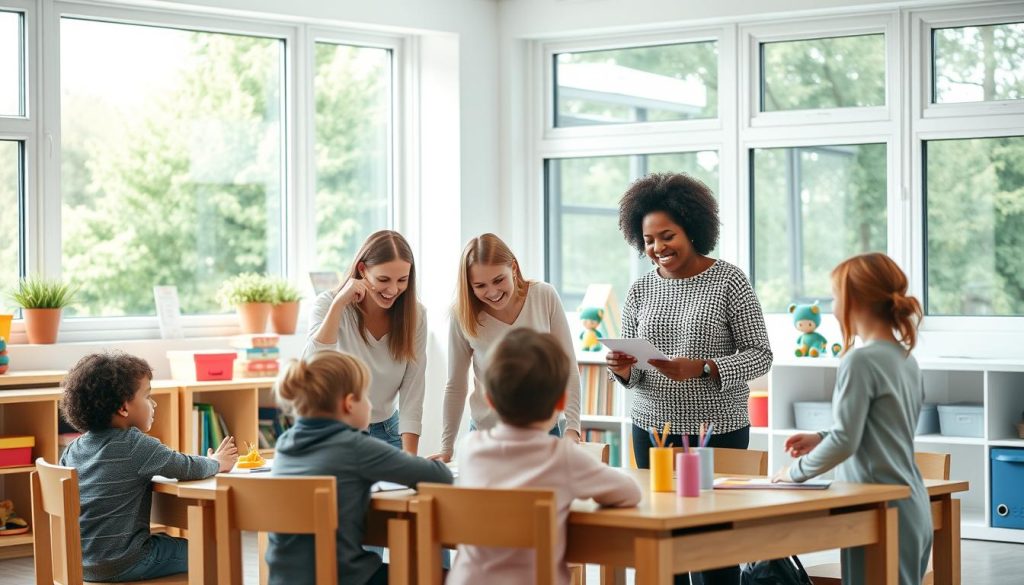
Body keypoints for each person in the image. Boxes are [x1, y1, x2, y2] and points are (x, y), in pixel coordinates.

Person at [605, 172, 773, 585]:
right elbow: (631, 372)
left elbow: (761, 356)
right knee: (665, 547)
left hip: (717, 433)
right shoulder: (640, 290)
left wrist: (702, 367)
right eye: (648, 240)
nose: (658, 248)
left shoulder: (729, 281)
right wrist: (622, 370)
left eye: (667, 236)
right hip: (651, 432)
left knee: (714, 549)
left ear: (693, 229)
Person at [774, 252, 932, 585]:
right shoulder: (905, 359)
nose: (832, 306)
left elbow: (846, 441)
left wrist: (793, 473)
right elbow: (879, 425)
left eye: (835, 296)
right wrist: (821, 437)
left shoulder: (859, 361)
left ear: (854, 301)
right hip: (911, 504)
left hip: (879, 508)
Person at [450, 328, 641, 585]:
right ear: (562, 402)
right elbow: (629, 492)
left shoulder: (469, 448)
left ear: (490, 400)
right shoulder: (562, 457)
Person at [268, 350, 453, 585]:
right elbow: (437, 476)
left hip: (283, 579)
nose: (369, 404)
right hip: (345, 578)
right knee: (442, 576)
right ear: (349, 404)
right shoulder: (355, 446)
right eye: (366, 397)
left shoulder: (284, 444)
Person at [59, 352, 237, 583]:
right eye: (147, 396)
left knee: (166, 542)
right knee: (212, 550)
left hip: (80, 563)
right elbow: (185, 467)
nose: (153, 403)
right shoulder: (134, 445)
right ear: (124, 407)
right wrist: (217, 463)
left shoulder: (73, 449)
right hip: (125, 562)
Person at [432, 233, 582, 461]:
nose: (492, 292)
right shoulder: (462, 314)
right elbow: (456, 385)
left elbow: (568, 366)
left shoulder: (543, 296)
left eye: (498, 280)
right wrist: (447, 448)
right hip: (487, 435)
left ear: (513, 268)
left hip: (544, 432)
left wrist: (572, 428)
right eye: (480, 285)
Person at [305, 230, 427, 455]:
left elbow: (413, 392)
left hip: (390, 432)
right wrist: (340, 304)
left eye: (402, 280)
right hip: (337, 433)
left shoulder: (415, 315)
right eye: (383, 279)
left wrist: (411, 460)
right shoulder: (328, 304)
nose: (393, 290)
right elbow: (311, 369)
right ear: (362, 270)